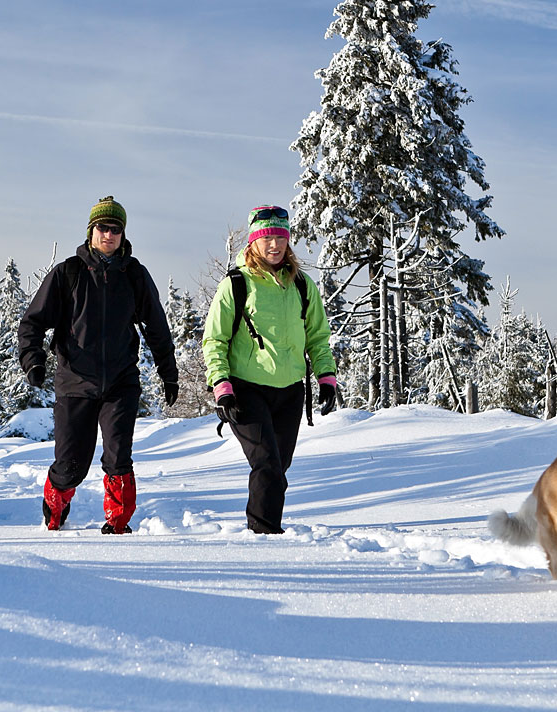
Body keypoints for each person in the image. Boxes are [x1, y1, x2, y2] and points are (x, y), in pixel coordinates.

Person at [19, 196, 178, 533]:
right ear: (91, 231)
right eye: (103, 228)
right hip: (75, 383)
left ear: (123, 235)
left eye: (116, 229)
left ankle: (118, 525)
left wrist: (169, 373)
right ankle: (55, 501)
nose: (109, 234)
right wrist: (33, 361)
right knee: (70, 466)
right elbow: (32, 323)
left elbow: (157, 328)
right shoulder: (67, 273)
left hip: (121, 383)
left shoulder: (134, 275)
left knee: (118, 458)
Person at [202, 205, 339, 534]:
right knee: (266, 464)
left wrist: (327, 379)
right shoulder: (236, 285)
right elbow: (214, 339)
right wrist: (222, 386)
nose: (275, 245)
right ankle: (265, 534)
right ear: (253, 243)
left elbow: (318, 338)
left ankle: (265, 530)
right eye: (267, 238)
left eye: (280, 237)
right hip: (246, 390)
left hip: (290, 391)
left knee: (279, 467)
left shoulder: (302, 286)